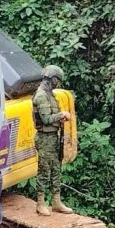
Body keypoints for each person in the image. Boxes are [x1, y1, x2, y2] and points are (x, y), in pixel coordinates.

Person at [32, 64, 72, 216]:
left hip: (53, 137)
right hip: (44, 139)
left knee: (56, 170)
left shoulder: (50, 95)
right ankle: (41, 203)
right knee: (44, 171)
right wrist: (62, 115)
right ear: (53, 79)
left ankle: (56, 202)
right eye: (57, 80)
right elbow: (46, 118)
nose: (58, 84)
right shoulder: (41, 95)